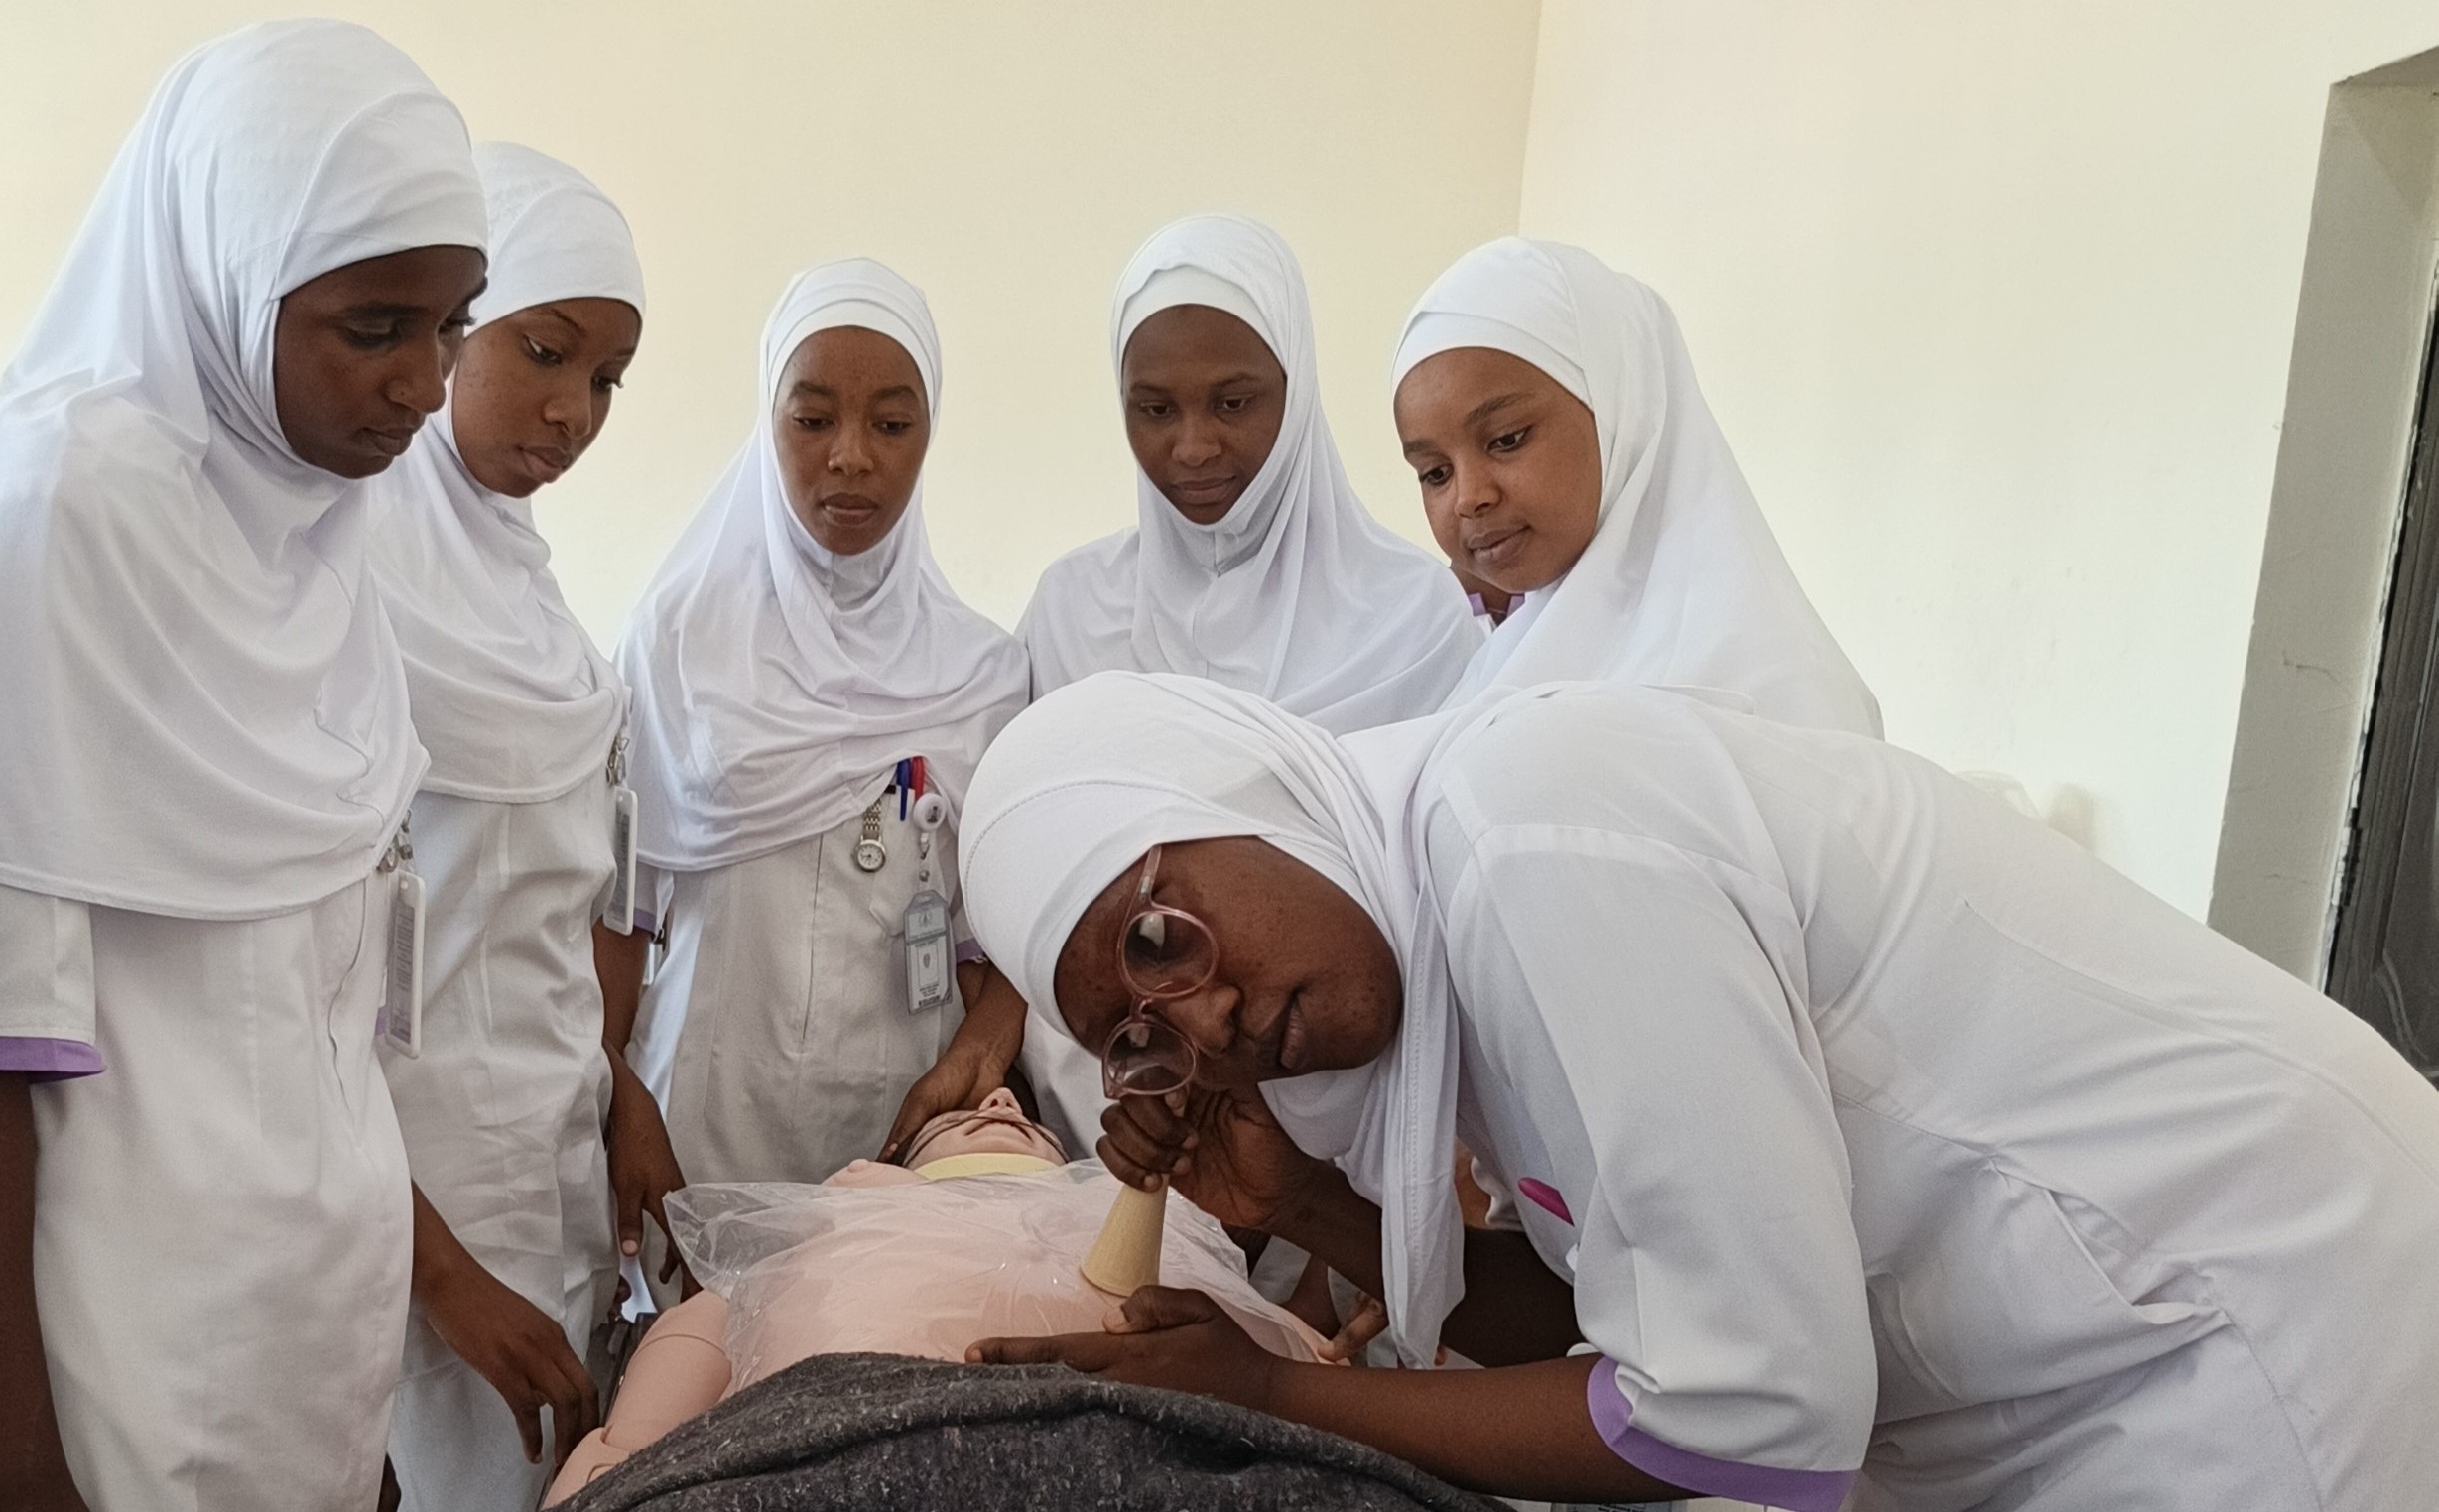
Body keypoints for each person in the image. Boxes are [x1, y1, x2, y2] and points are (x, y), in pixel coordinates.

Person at [959, 672, 2439, 1510]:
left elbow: (1744, 1415)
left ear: (1242, 799)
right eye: (1138, 1036)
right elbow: (1620, 1333)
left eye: (1158, 938)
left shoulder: (1532, 843)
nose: (1206, 1019)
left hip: (2251, 1327)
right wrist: (1300, 1206)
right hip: (2050, 1373)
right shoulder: (1446, 932)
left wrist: (1282, 1394)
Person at [0, 22, 483, 1511]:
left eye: (453, 326)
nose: (425, 384)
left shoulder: (318, 536)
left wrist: (354, 1420)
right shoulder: (43, 522)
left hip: (312, 1359)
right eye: (375, 327)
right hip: (118, 1383)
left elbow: (318, 1027)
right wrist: (14, 1463)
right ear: (228, 274)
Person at [365, 141, 664, 1507]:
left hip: (547, 1180)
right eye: (543, 352)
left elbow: (560, 923)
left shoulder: (546, 627)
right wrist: (438, 1273)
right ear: (448, 332)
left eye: (606, 378)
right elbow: (296, 991)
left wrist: (620, 1094)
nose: (572, 410)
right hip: (392, 1205)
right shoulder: (344, 594)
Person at [611, 259, 1035, 1196]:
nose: (851, 457)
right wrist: (616, 1102)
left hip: (897, 1136)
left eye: (891, 424)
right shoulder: (678, 640)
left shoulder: (983, 675)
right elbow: (618, 909)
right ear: (767, 424)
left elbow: (998, 938)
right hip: (696, 1126)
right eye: (812, 420)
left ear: (929, 432)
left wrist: (981, 1056)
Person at [544, 1088, 1344, 1503]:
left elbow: (1310, 1382)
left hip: (1173, 1448)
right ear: (876, 1172)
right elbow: (634, 1446)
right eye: (963, 1117)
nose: (1001, 1101)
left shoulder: (1166, 1216)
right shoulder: (827, 1234)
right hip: (842, 1435)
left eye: (1027, 1119)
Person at [1396, 237, 1878, 733]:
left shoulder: (1771, 683)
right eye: (1435, 473)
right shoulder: (1495, 666)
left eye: (1507, 439)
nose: (1469, 497)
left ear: (1623, 410)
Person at [1020, 214, 1480, 733]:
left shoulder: (1411, 618)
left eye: (1233, 403)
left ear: (1296, 392)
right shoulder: (1072, 611)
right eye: (1156, 410)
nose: (1194, 449)